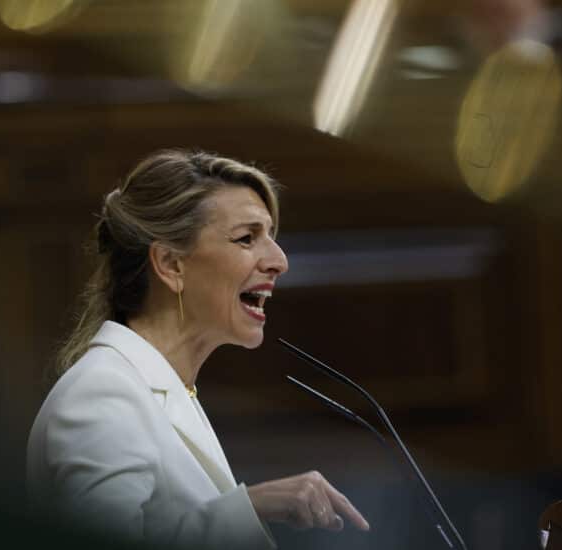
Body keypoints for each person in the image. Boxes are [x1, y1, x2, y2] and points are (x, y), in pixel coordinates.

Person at [26, 149, 370, 549]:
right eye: (247, 238)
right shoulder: (102, 396)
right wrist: (251, 507)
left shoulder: (160, 390)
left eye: (271, 238)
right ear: (171, 265)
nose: (279, 261)